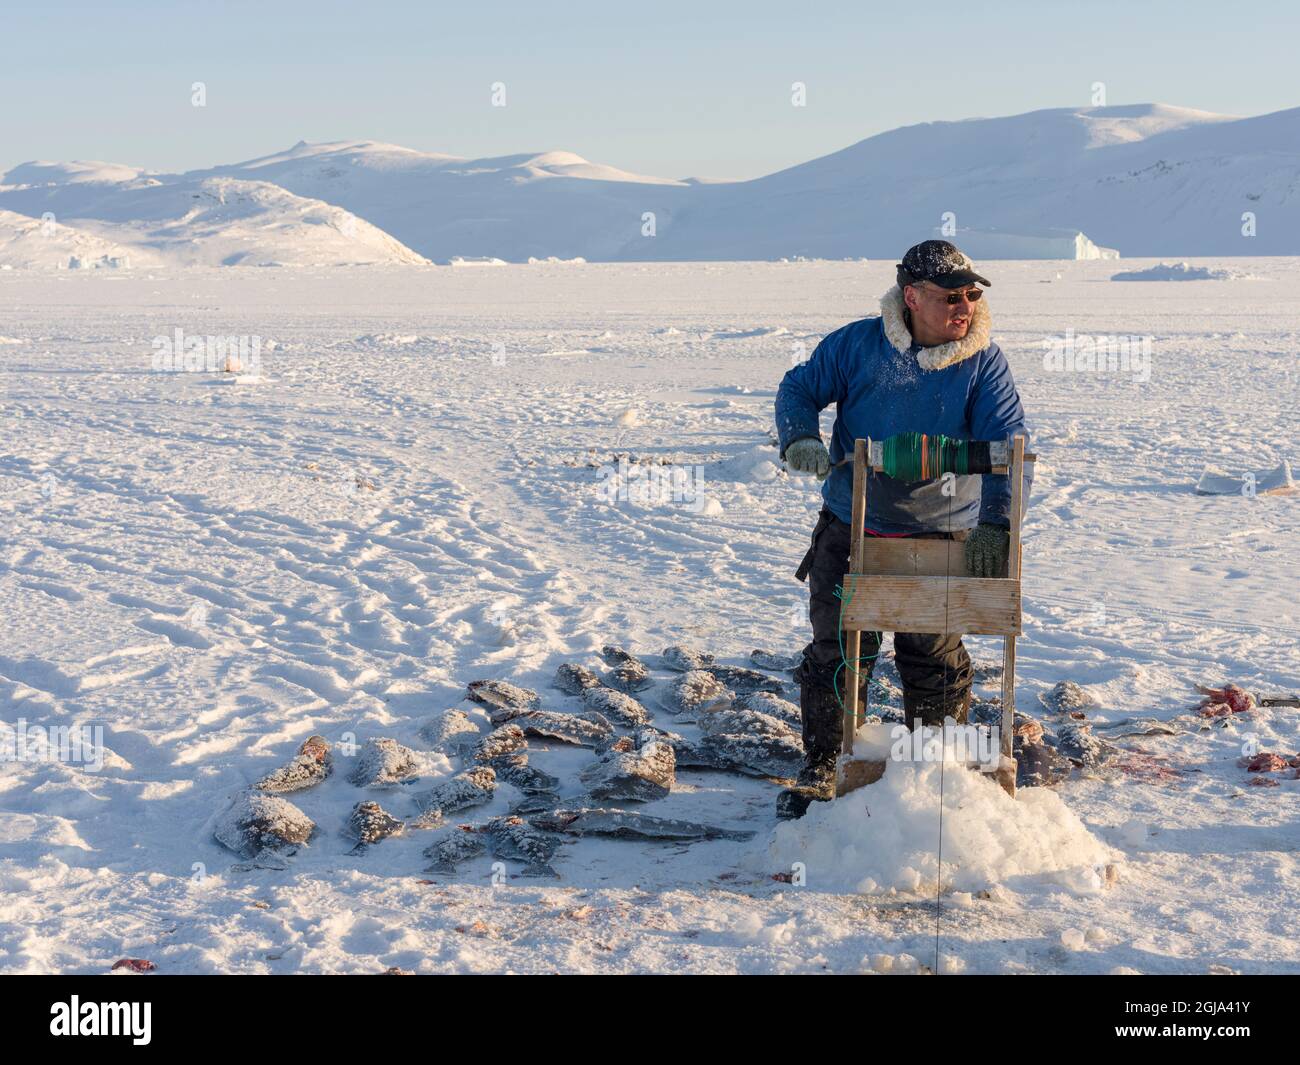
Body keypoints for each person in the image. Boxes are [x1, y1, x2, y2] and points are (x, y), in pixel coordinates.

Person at [773, 240, 1032, 818]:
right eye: (949, 296)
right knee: (841, 648)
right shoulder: (858, 345)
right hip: (854, 523)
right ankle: (825, 765)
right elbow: (799, 387)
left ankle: (934, 768)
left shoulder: (982, 361)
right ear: (911, 297)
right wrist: (800, 436)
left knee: (932, 652)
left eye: (971, 294)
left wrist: (996, 524)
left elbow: (1009, 446)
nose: (963, 306)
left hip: (944, 535)